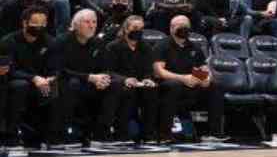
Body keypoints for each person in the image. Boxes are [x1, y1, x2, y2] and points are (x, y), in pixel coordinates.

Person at [49, 9, 119, 147]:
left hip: (91, 83)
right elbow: (59, 70)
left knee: (114, 85)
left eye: (94, 22)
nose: (92, 25)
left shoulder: (98, 43)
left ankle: (100, 134)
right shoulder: (61, 41)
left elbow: (105, 67)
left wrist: (103, 79)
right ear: (75, 24)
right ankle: (64, 135)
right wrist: (89, 77)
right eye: (87, 22)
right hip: (66, 82)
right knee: (71, 84)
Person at [151, 15, 225, 144]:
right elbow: (159, 72)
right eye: (180, 26)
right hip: (167, 84)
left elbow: (204, 69)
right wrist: (183, 78)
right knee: (174, 85)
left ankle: (214, 133)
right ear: (171, 28)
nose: (183, 29)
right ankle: (165, 134)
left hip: (190, 84)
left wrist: (206, 78)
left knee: (215, 86)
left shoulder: (194, 47)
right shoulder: (162, 45)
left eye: (186, 26)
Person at [3, 7, 56, 149]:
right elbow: (9, 70)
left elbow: (55, 66)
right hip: (13, 82)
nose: (39, 27)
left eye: (43, 24)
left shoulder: (50, 42)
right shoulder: (9, 41)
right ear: (24, 23)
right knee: (20, 86)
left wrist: (51, 78)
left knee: (59, 86)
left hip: (41, 82)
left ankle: (50, 136)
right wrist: (33, 78)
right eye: (35, 23)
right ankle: (10, 137)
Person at [103, 13, 159, 145]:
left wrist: (147, 79)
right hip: (119, 83)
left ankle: (148, 134)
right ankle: (121, 134)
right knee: (127, 90)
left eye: (140, 29)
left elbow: (147, 70)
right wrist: (125, 79)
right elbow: (108, 71)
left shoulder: (145, 48)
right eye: (134, 28)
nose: (137, 31)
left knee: (152, 90)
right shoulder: (113, 47)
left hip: (139, 83)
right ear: (126, 29)